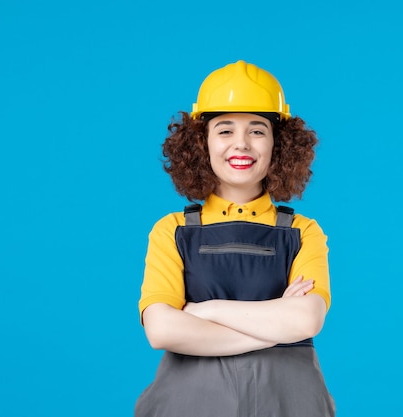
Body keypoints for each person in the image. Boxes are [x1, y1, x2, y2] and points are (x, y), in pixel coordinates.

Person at [135, 60, 335, 417]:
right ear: (202, 143)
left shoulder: (303, 232)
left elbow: (305, 321)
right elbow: (162, 330)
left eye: (257, 130)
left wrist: (205, 311)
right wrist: (274, 329)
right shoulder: (171, 230)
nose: (241, 145)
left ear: (279, 144)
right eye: (225, 131)